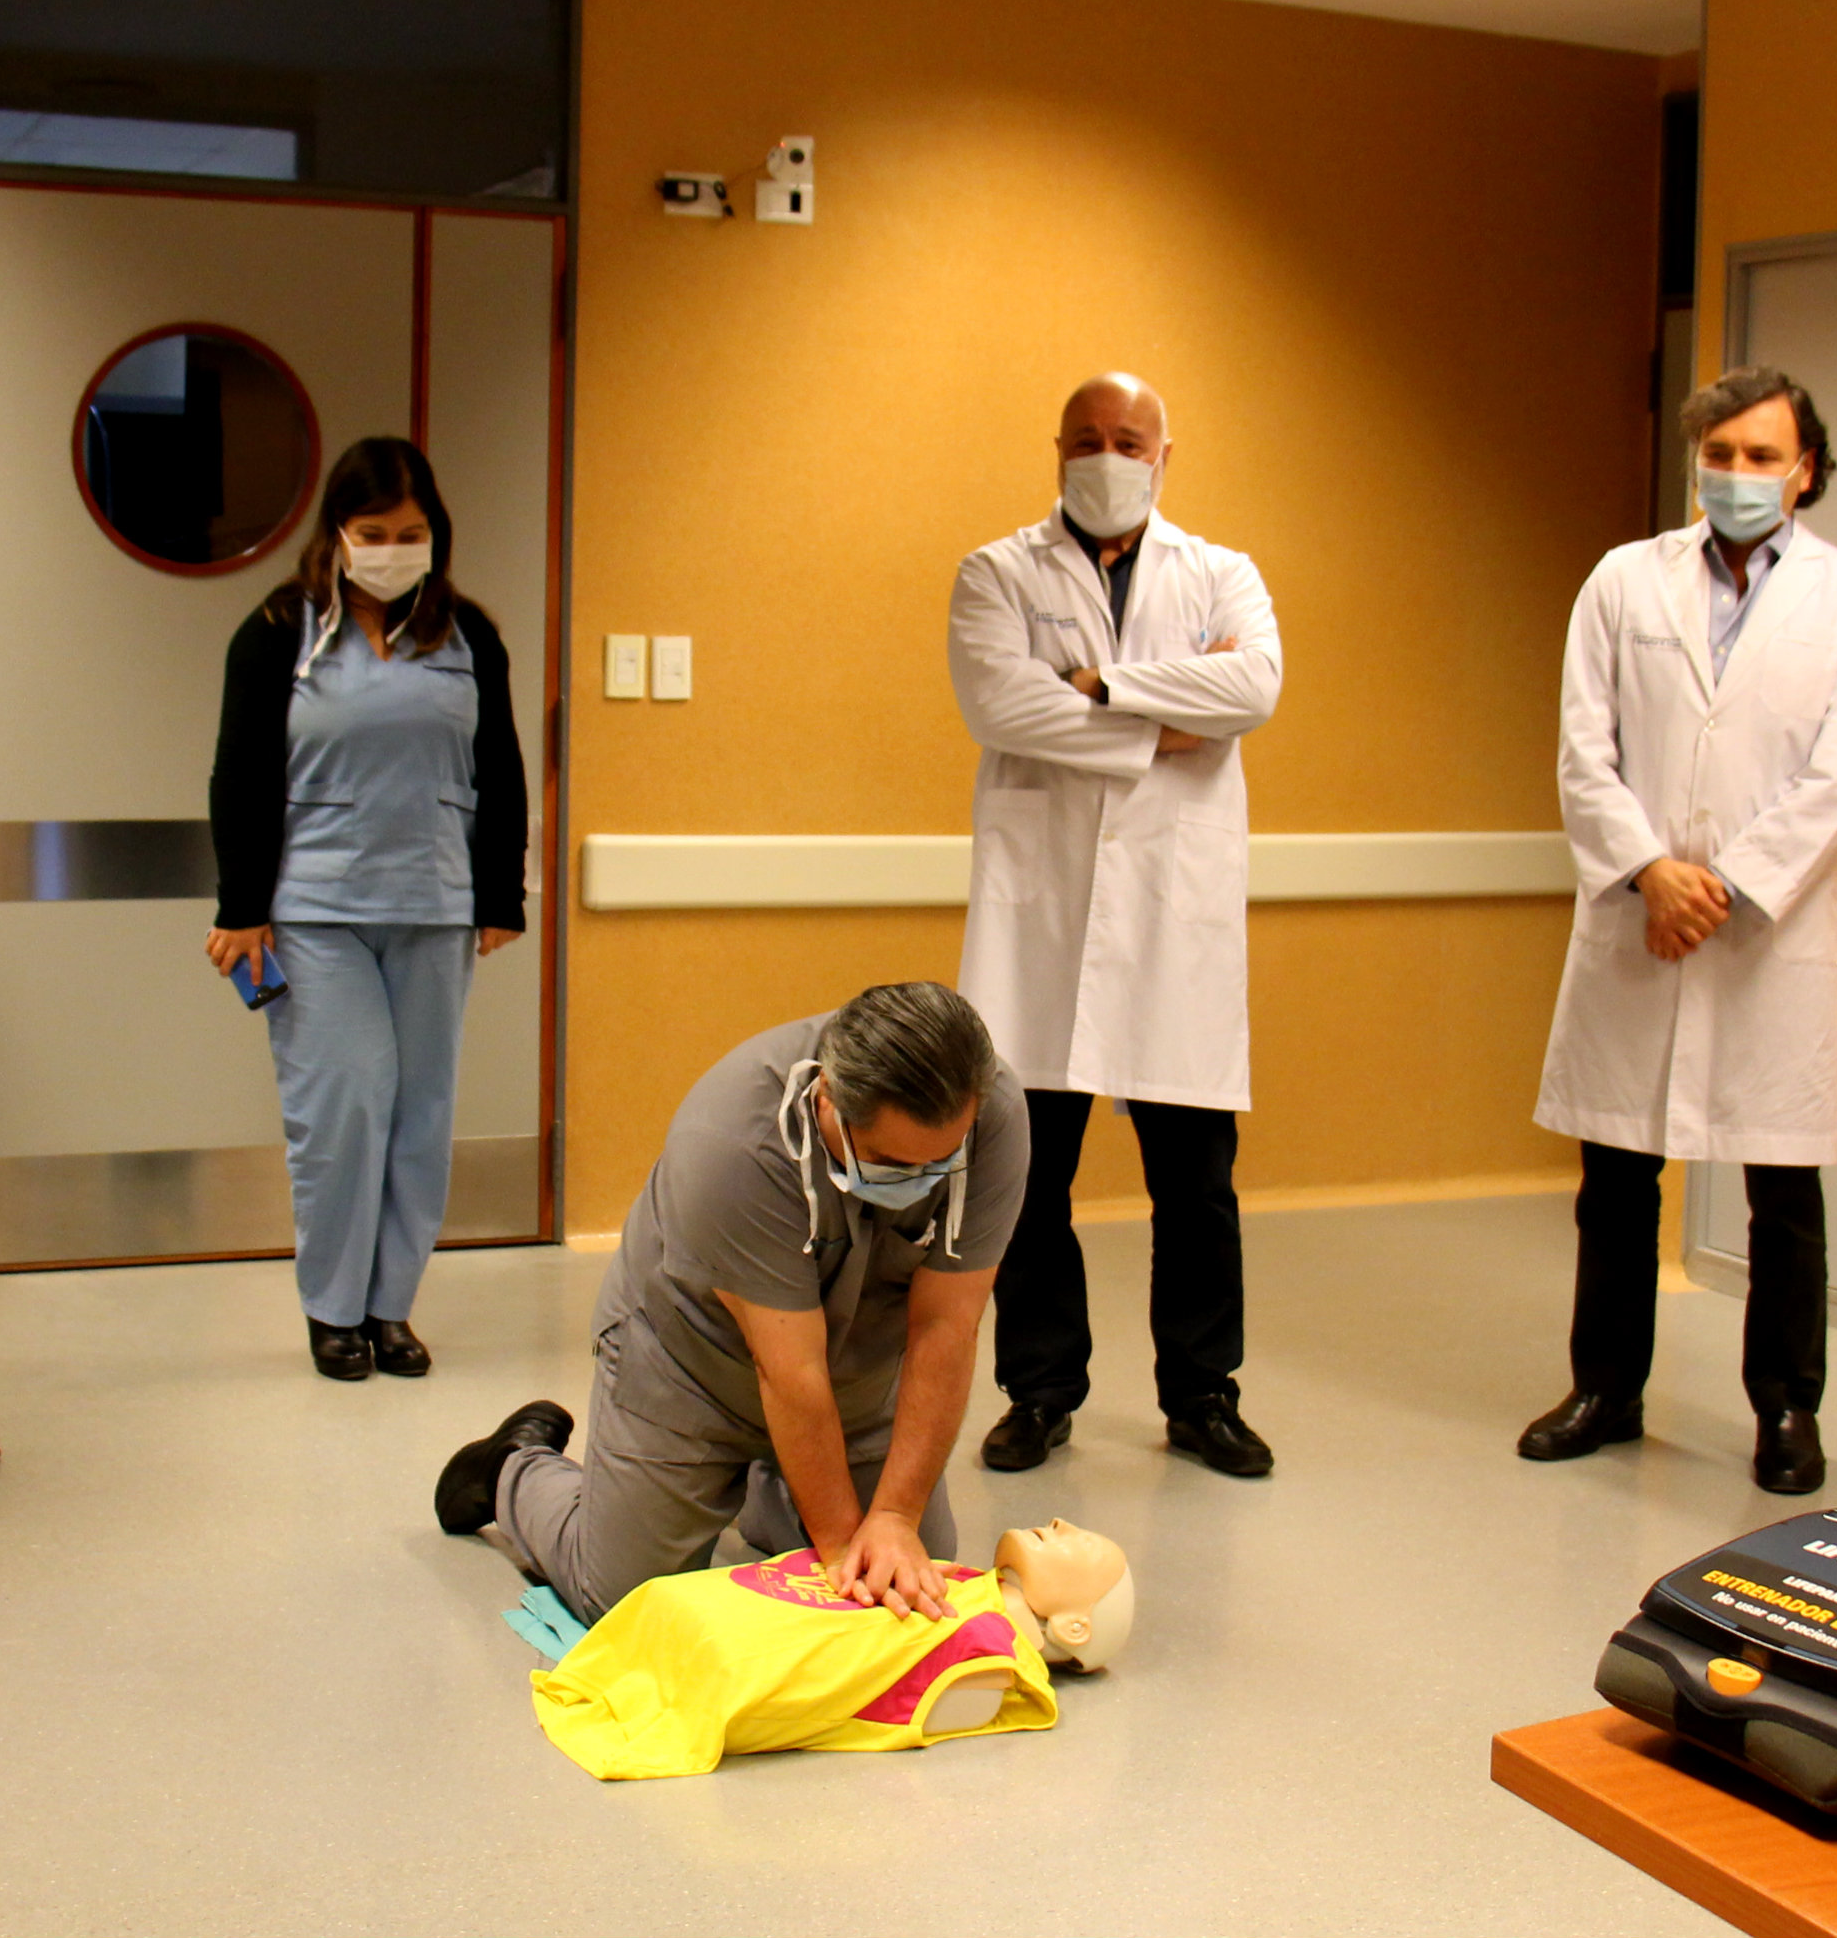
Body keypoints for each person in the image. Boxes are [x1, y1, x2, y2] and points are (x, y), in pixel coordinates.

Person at [1523, 366, 1837, 1495]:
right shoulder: (1621, 581)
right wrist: (1649, 871)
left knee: (1780, 1189)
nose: (1735, 475)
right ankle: (1606, 1389)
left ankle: (1785, 1408)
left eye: (1759, 456)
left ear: (1806, 472)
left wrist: (1723, 886)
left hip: (1761, 935)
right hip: (1639, 912)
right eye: (1719, 454)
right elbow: (1581, 750)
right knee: (1616, 1177)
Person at [433, 984, 1029, 1624]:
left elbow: (947, 1325)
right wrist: (837, 1552)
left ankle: (768, 1484)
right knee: (623, 1604)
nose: (916, 1181)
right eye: (889, 1164)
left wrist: (892, 1518)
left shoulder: (988, 1110)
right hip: (688, 1363)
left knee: (920, 1572)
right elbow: (788, 1371)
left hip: (853, 1368)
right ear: (827, 1097)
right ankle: (513, 1470)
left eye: (937, 1165)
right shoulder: (734, 1140)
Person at [948, 372, 1283, 1481]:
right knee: (1026, 1181)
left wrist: (1095, 686)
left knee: (1193, 1186)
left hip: (1170, 921)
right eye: (1086, 438)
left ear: (1163, 455)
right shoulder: (996, 571)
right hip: (1038, 921)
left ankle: (1201, 1393)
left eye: (1127, 440)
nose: (1106, 454)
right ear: (1055, 449)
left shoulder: (1220, 572)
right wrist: (1151, 725)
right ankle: (1037, 1393)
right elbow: (999, 704)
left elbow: (1253, 687)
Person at [205, 438, 529, 1380]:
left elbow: (499, 768)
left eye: (412, 532)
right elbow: (240, 772)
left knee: (420, 1112)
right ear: (338, 535)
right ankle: (333, 1308)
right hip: (313, 909)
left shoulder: (469, 635)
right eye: (374, 532)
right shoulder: (278, 630)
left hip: (434, 903)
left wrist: (500, 892)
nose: (394, 548)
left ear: (437, 534)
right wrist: (242, 905)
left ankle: (392, 1307)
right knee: (345, 1104)